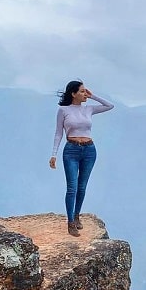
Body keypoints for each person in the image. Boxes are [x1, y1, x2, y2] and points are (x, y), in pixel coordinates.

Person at [50, 80, 114, 237]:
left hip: (89, 150)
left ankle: (77, 215)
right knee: (72, 187)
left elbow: (109, 106)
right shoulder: (63, 110)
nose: (85, 94)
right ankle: (70, 221)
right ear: (73, 93)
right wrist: (54, 154)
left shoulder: (89, 109)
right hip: (71, 150)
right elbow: (59, 133)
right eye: (82, 91)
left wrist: (93, 96)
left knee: (82, 187)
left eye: (86, 91)